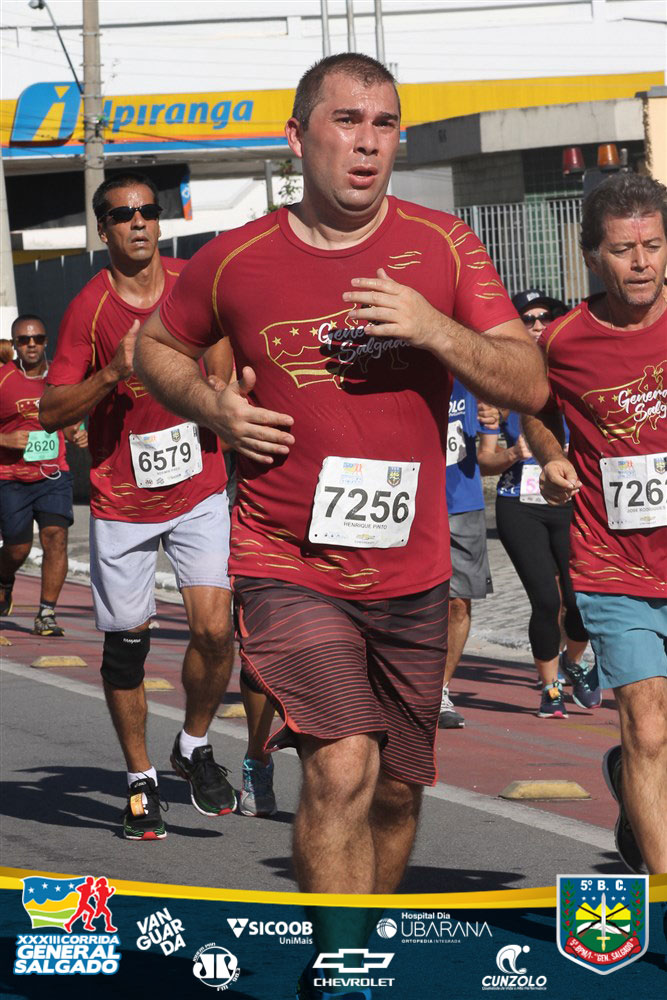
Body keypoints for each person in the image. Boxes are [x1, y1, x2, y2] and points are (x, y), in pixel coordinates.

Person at [134, 53, 548, 995]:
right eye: (347, 120)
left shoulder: (443, 245)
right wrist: (211, 406)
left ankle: (364, 941)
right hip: (286, 558)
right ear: (297, 137)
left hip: (410, 567)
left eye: (384, 124)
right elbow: (152, 346)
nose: (367, 143)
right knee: (341, 765)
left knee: (396, 789)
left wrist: (433, 328)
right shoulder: (236, 257)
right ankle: (341, 972)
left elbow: (527, 381)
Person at [39, 172, 237, 841]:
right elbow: (51, 410)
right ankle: (140, 779)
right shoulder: (87, 310)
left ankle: (193, 743)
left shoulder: (190, 284)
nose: (139, 222)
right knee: (128, 648)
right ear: (104, 230)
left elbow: (221, 353)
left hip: (198, 485)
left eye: (148, 211)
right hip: (122, 500)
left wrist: (223, 389)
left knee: (215, 630)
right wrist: (110, 373)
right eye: (123, 215)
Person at [522, 172, 667, 876]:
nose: (639, 262)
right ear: (591, 257)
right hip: (613, 561)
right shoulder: (561, 340)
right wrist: (551, 457)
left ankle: (635, 798)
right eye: (622, 249)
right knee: (647, 724)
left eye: (652, 246)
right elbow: (533, 410)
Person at [477, 291, 597, 719]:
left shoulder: (581, 376)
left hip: (572, 502)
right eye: (526, 319)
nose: (535, 325)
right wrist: (514, 453)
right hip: (519, 505)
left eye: (544, 316)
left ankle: (572, 660)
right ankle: (550, 689)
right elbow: (485, 460)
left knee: (581, 602)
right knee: (546, 600)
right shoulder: (502, 388)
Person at [0, 315, 87, 635]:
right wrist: (5, 439)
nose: (32, 344)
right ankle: (4, 579)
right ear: (15, 345)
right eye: (24, 340)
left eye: (37, 338)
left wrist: (76, 433)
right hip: (11, 477)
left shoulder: (60, 379)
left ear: (47, 341)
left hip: (53, 474)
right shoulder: (3, 378)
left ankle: (46, 613)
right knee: (18, 548)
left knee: (55, 537)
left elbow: (69, 419)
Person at [439, 378, 494, 729]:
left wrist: (498, 410)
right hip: (408, 493)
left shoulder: (471, 371)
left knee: (458, 603)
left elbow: (514, 387)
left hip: (462, 501)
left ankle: (439, 691)